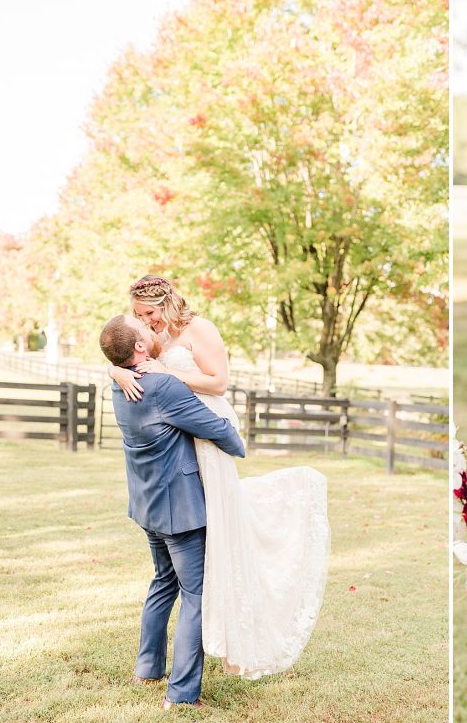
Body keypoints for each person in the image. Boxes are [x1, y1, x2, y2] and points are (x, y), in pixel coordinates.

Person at [109, 275, 330, 680]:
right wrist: (117, 372)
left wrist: (167, 377)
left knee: (196, 555)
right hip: (178, 442)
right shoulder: (147, 345)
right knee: (187, 578)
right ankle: (176, 684)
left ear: (167, 304)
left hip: (201, 434)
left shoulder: (199, 330)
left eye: (149, 314)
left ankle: (158, 667)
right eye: (140, 317)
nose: (146, 321)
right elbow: (123, 350)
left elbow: (219, 383)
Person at [99, 314, 246, 709]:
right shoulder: (162, 385)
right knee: (196, 594)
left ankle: (147, 668)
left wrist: (114, 369)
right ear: (141, 349)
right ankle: (181, 695)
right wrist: (238, 442)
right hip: (179, 511)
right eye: (144, 328)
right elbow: (211, 427)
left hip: (148, 506)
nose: (152, 329)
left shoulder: (119, 384)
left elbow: (116, 360)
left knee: (164, 581)